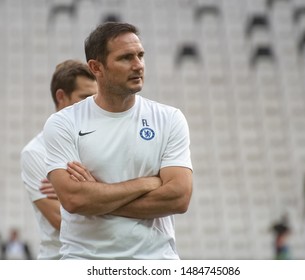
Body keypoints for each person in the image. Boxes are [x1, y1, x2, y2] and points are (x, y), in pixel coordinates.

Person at [43, 22, 193, 259]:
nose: (138, 65)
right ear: (96, 67)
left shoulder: (169, 119)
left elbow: (179, 197)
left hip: (156, 261)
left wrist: (96, 198)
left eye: (140, 55)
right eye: (125, 58)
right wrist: (147, 183)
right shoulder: (63, 123)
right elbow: (74, 199)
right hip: (85, 261)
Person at [20, 60, 98, 259]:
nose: (93, 104)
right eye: (85, 97)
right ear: (61, 97)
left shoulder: (103, 142)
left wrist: (75, 192)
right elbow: (60, 221)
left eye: (96, 97)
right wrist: (98, 191)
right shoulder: (36, 152)